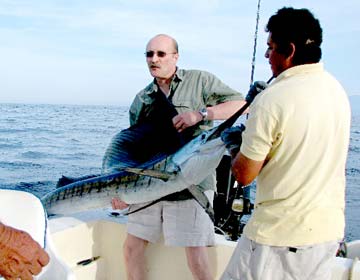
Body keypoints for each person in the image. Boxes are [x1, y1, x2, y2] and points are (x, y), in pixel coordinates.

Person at [220, 7, 351, 280]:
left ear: (289, 50)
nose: (267, 55)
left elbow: (244, 174)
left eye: (270, 48)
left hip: (277, 239)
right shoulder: (336, 91)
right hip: (326, 235)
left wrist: (234, 144)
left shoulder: (271, 100)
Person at [111, 33, 245, 280]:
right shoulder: (141, 99)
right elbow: (135, 151)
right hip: (150, 183)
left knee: (196, 254)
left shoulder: (200, 80)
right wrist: (123, 191)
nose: (154, 59)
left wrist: (202, 114)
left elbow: (240, 104)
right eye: (149, 54)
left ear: (175, 57)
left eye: (161, 54)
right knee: (132, 247)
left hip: (192, 184)